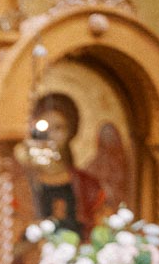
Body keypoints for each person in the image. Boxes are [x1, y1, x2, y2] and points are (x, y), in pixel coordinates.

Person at [13, 91, 106, 246]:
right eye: (44, 129)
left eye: (58, 128)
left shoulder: (87, 185)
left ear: (71, 131)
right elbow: (11, 235)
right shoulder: (22, 185)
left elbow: (100, 232)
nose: (51, 136)